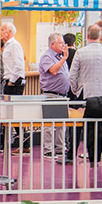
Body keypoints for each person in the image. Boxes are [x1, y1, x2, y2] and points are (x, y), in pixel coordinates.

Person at [39, 32, 71, 163]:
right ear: (53, 44)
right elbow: (53, 70)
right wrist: (64, 59)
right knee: (49, 124)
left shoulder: (59, 56)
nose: (63, 45)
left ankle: (60, 147)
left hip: (62, 95)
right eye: (60, 43)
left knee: (60, 124)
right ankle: (48, 149)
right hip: (51, 94)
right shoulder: (47, 56)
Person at [69, 24, 102, 100]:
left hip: (85, 92)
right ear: (100, 36)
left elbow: (72, 75)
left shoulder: (80, 52)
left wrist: (76, 90)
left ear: (87, 36)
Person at [0, 22, 25, 96]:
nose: (1, 32)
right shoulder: (7, 45)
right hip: (9, 80)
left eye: (2, 30)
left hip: (14, 82)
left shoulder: (14, 45)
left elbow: (18, 65)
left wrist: (11, 81)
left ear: (10, 31)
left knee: (13, 106)